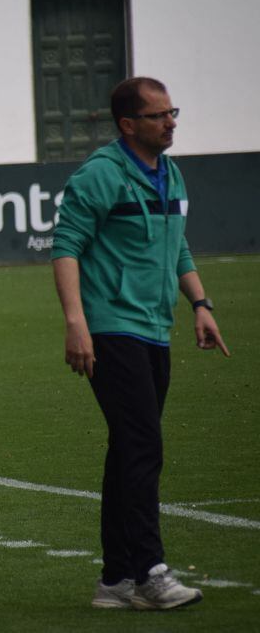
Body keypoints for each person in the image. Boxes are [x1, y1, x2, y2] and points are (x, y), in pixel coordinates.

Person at [51, 77, 229, 610]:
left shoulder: (170, 172)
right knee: (143, 447)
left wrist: (200, 303)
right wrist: (77, 323)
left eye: (173, 112)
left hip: (155, 328)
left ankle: (115, 581)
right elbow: (66, 248)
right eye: (158, 115)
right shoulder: (100, 175)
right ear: (128, 124)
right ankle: (150, 572)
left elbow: (177, 243)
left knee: (129, 450)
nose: (170, 122)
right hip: (111, 330)